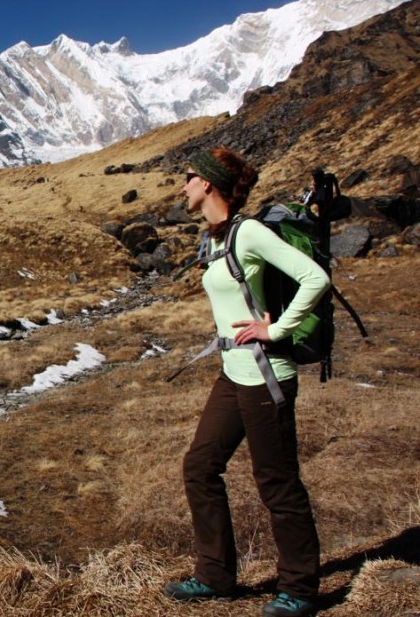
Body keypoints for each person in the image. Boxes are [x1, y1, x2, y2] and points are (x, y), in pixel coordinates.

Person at [163, 148, 329, 617]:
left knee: (276, 482)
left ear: (210, 185)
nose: (184, 187)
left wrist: (276, 329)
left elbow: (313, 279)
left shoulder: (248, 231)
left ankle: (299, 589)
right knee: (200, 466)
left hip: (265, 376)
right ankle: (215, 576)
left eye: (189, 178)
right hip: (233, 374)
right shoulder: (215, 238)